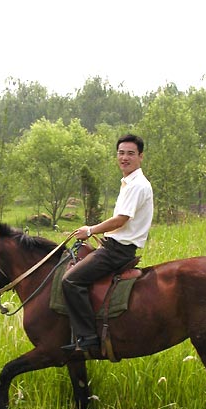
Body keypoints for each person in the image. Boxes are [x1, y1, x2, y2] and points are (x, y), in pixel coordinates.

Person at [61, 133, 153, 351]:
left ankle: (87, 338)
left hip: (117, 251)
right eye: (121, 153)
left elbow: (121, 220)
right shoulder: (130, 182)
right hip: (114, 246)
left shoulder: (137, 185)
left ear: (140, 156)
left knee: (70, 281)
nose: (125, 158)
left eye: (131, 153)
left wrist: (90, 230)